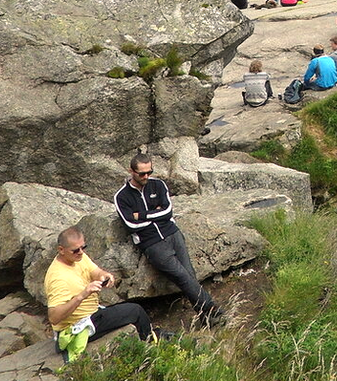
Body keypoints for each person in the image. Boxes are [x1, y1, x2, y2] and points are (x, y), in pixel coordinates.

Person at [114, 155, 222, 324]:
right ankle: (211, 308)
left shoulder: (158, 185)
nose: (146, 177)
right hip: (152, 244)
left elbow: (167, 212)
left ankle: (206, 318)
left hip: (172, 234)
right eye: (142, 174)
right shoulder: (121, 197)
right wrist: (155, 215)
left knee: (189, 274)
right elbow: (130, 225)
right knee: (181, 275)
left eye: (149, 172)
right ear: (131, 172)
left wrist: (141, 216)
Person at [44, 226, 154, 362]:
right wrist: (82, 295)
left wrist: (104, 276)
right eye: (75, 250)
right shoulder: (58, 278)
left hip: (93, 312)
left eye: (83, 247)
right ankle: (152, 344)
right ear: (61, 250)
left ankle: (150, 337)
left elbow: (94, 271)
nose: (81, 252)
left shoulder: (78, 257)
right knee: (135, 311)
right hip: (77, 326)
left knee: (126, 309)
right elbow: (54, 317)